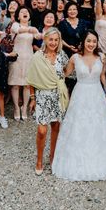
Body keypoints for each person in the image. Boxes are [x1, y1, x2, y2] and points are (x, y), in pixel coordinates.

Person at [52, 30, 106, 181]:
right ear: (83, 41)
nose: (91, 44)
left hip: (96, 93)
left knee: (98, 126)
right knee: (78, 126)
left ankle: (101, 159)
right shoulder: (75, 58)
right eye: (89, 41)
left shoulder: (101, 57)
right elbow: (63, 75)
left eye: (94, 42)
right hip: (80, 94)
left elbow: (103, 75)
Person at [26, 27, 69, 175]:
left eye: (56, 40)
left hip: (58, 96)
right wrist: (32, 98)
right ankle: (39, 159)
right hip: (43, 96)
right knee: (42, 130)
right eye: (51, 39)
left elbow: (67, 72)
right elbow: (31, 79)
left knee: (56, 127)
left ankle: (52, 157)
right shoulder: (38, 56)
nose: (53, 42)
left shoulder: (62, 56)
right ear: (45, 40)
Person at [8, 7, 42, 121]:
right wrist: (30, 29)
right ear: (18, 16)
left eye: (26, 12)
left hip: (29, 58)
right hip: (16, 57)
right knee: (15, 84)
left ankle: (24, 108)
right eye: (22, 12)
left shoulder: (33, 28)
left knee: (27, 85)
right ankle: (17, 107)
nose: (25, 13)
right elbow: (18, 31)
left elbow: (39, 36)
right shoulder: (15, 25)